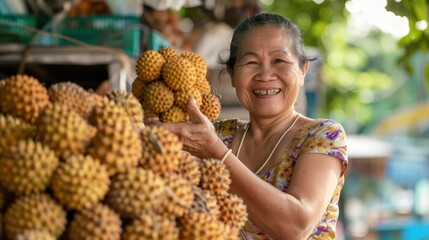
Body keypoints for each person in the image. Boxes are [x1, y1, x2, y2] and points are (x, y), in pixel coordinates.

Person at [146, 12, 348, 239]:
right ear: (232, 75)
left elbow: (296, 226)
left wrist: (217, 153)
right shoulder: (218, 134)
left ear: (302, 71)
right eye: (251, 62)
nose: (265, 74)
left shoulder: (323, 135)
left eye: (279, 61)